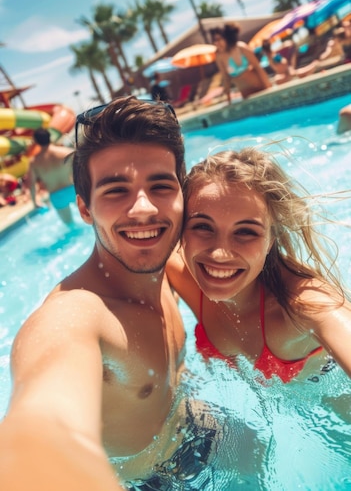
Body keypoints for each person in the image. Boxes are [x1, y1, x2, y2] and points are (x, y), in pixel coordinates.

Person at [1, 97, 220, 490]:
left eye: (161, 186)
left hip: (196, 424)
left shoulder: (167, 266)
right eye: (116, 190)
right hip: (148, 482)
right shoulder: (76, 316)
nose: (142, 209)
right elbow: (43, 432)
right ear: (85, 209)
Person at [166, 148, 351, 385]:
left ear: (270, 241)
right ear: (182, 231)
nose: (220, 253)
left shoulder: (305, 306)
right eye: (202, 227)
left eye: (245, 232)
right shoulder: (178, 273)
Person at [210, 24, 272, 103]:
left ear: (227, 38)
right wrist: (229, 100)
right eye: (214, 40)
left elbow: (258, 67)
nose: (216, 43)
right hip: (246, 94)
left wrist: (268, 88)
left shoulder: (241, 47)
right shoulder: (219, 57)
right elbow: (226, 78)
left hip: (261, 87)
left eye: (218, 39)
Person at [28, 128, 76, 224]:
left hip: (56, 195)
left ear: (36, 141)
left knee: (69, 224)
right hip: (73, 189)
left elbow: (31, 184)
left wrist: (34, 203)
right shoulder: (66, 152)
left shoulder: (34, 162)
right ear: (50, 137)